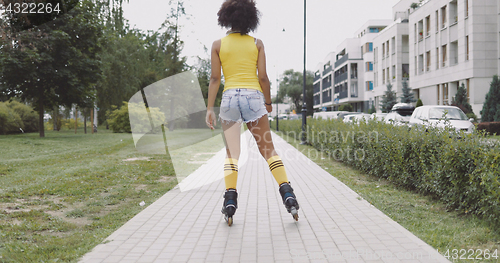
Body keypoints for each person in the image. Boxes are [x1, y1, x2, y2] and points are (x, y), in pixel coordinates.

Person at [205, 0, 299, 226]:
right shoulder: (257, 43)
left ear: (226, 18)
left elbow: (215, 78)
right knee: (268, 150)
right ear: (250, 19)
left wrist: (210, 108)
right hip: (253, 97)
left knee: (232, 154)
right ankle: (288, 194)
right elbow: (263, 77)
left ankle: (230, 200)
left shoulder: (218, 44)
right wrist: (267, 102)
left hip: (229, 99)